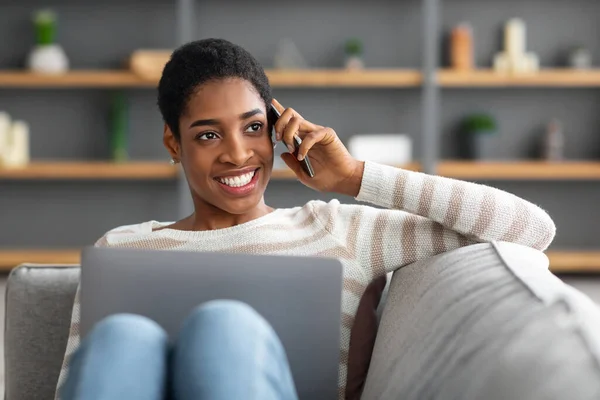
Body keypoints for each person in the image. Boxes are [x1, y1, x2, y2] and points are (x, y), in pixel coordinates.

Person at [55, 38, 556, 400]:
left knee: (224, 326)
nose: (237, 154)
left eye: (254, 128)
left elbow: (529, 229)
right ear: (173, 143)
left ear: (276, 131)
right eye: (208, 135)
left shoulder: (337, 230)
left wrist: (355, 177)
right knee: (124, 337)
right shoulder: (119, 248)